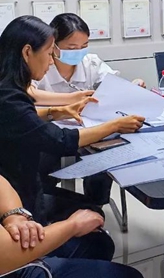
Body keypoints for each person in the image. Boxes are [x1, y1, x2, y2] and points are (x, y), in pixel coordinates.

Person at [0, 16, 144, 262]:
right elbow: (59, 140)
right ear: (26, 52)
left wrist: (55, 111)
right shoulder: (9, 96)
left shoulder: (9, 87)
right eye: (48, 53)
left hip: (20, 187)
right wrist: (115, 125)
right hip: (18, 199)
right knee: (97, 240)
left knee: (91, 207)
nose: (51, 60)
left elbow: (25, 113)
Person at [0, 175, 142, 278]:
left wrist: (14, 216)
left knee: (98, 243)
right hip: (9, 265)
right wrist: (73, 225)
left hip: (10, 245)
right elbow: (7, 254)